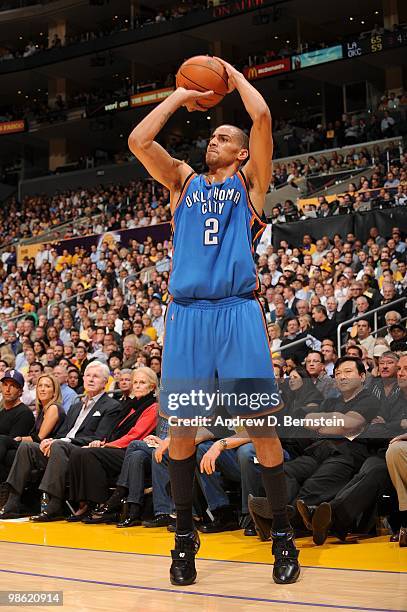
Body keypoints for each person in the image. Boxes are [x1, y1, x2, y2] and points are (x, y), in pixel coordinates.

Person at [128, 56, 300, 585]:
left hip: (237, 313)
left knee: (263, 430)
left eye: (224, 137)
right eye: (212, 136)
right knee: (179, 434)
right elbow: (139, 140)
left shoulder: (250, 184)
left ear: (243, 152)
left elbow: (264, 115)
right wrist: (182, 93)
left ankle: (283, 537)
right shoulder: (182, 182)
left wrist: (230, 76)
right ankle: (184, 536)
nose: (213, 142)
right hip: (186, 318)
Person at [0, 361, 121, 520]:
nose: (91, 379)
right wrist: (48, 440)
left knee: (58, 446)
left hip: (81, 450)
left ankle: (54, 504)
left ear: (106, 382)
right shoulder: (76, 406)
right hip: (62, 447)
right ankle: (13, 502)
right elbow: (63, 432)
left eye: (96, 377)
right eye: (88, 376)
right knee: (27, 447)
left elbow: (99, 436)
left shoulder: (112, 406)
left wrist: (62, 441)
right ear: (83, 378)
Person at [66, 367, 158, 523]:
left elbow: (134, 436)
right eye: (135, 382)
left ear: (152, 387)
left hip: (129, 451)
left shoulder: (153, 407)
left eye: (142, 383)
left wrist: (106, 446)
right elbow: (115, 431)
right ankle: (84, 504)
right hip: (116, 447)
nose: (136, 385)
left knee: (89, 453)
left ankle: (103, 505)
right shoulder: (130, 405)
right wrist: (102, 442)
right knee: (78, 452)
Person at [0, 374, 65, 483]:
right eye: (40, 386)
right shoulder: (43, 410)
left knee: (3, 440)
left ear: (54, 392)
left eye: (47, 386)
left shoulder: (53, 408)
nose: (43, 389)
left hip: (48, 451)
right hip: (36, 447)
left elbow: (39, 437)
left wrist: (20, 438)